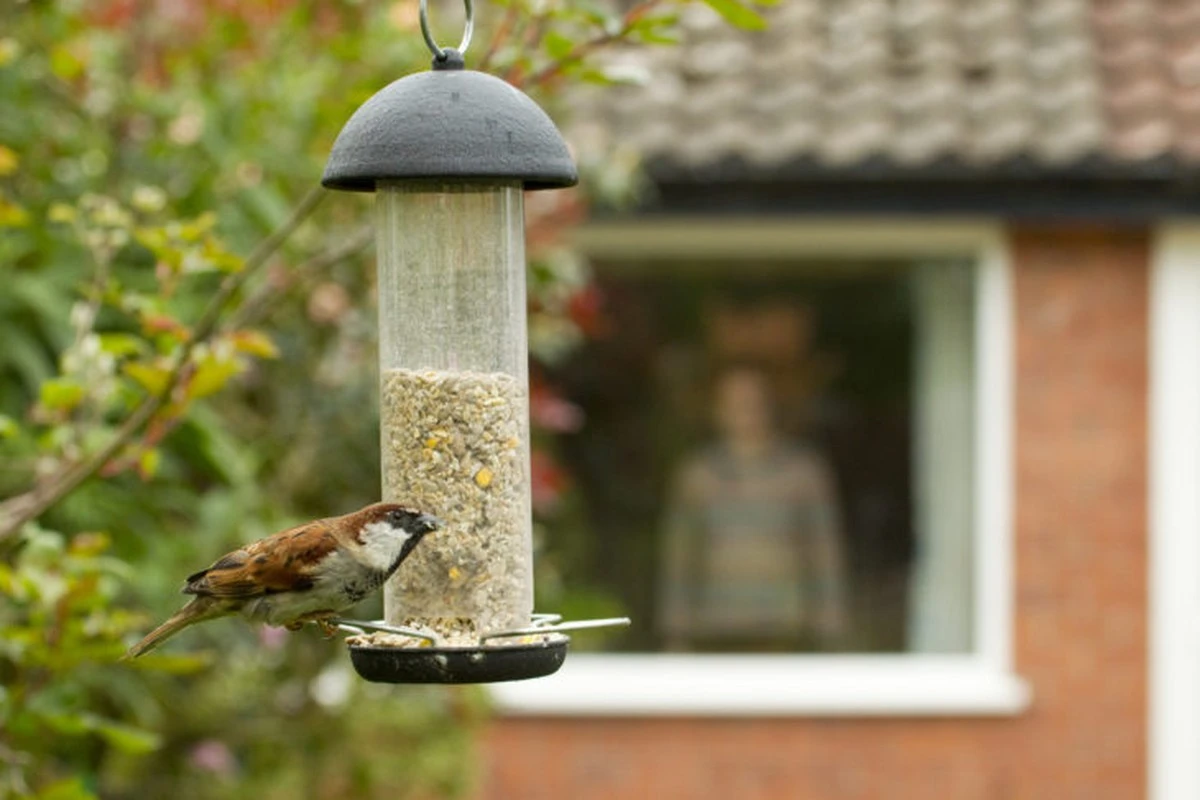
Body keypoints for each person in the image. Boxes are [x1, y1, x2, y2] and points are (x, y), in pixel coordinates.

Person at [658, 365, 847, 652]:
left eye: (753, 402)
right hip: (716, 626)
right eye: (733, 403)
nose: (745, 411)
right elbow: (681, 556)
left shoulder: (804, 471)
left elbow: (823, 551)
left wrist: (830, 625)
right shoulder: (697, 475)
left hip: (785, 625)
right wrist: (676, 630)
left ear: (770, 406)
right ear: (716, 410)